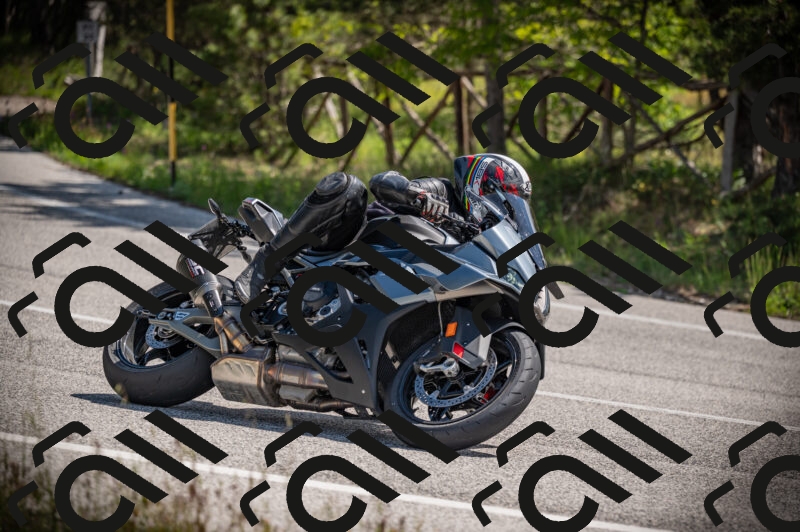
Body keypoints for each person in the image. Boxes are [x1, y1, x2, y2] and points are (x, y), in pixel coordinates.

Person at [234, 153, 533, 304]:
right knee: (347, 186)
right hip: (351, 241)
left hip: (391, 283)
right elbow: (382, 182)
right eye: (502, 194)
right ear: (481, 183)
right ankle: (263, 266)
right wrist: (416, 195)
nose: (505, 205)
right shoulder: (443, 192)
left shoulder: (482, 242)